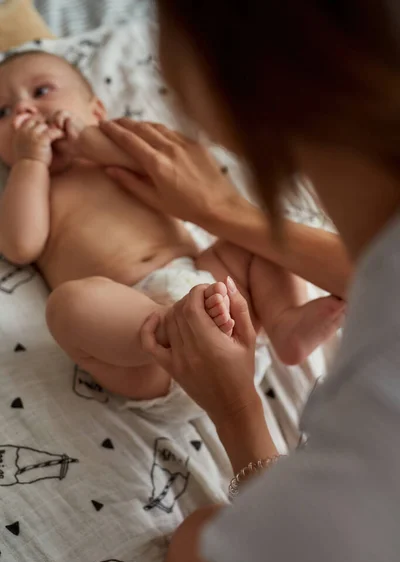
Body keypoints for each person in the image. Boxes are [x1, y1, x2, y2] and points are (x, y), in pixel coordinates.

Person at [97, 1, 400, 562]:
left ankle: (284, 322)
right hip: (162, 296)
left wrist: (237, 410)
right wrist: (222, 212)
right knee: (77, 305)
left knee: (194, 549)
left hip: (183, 305)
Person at [0, 51, 346, 401]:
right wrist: (30, 164)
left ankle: (284, 323)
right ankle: (173, 329)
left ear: (96, 110)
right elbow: (21, 245)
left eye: (41, 91)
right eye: (3, 112)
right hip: (144, 345)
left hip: (214, 292)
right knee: (68, 305)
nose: (23, 111)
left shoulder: (114, 154)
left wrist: (91, 141)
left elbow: (167, 175)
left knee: (255, 241)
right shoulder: (29, 186)